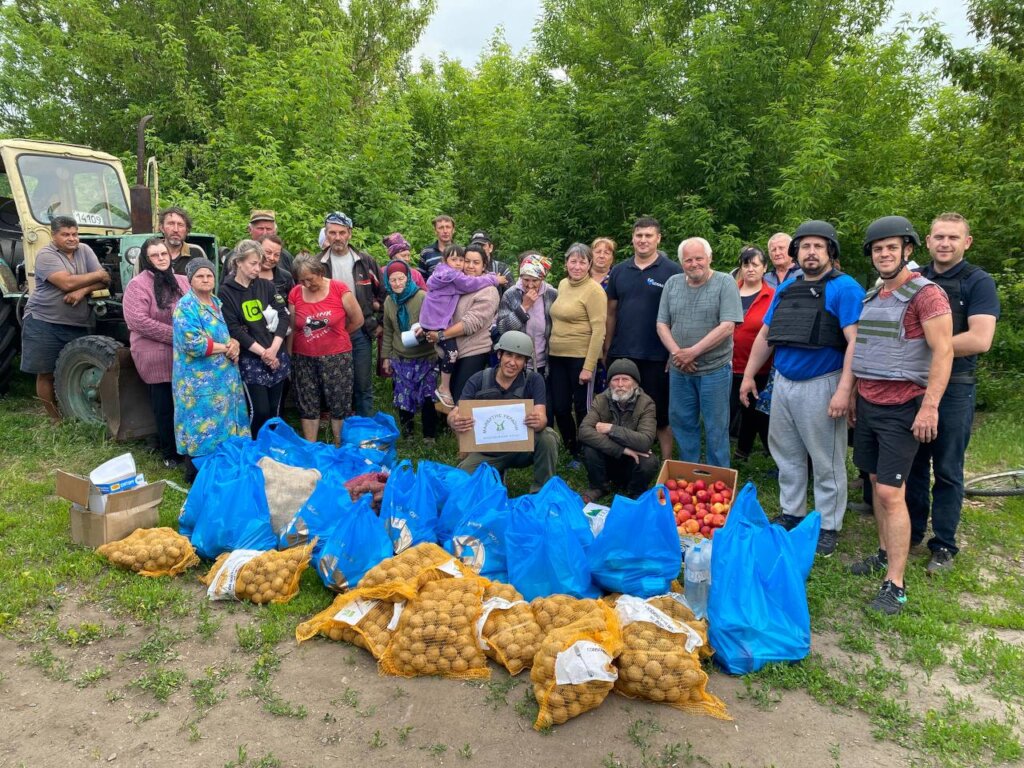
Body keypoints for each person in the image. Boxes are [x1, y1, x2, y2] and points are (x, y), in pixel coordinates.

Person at [739, 220, 865, 557]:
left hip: (822, 383)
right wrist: (750, 375)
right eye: (805, 246)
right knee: (788, 455)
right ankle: (792, 512)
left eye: (818, 246)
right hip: (783, 383)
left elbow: (855, 342)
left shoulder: (845, 288)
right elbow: (767, 335)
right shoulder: (787, 287)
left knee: (827, 461)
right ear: (796, 253)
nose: (810, 252)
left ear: (830, 252)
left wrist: (844, 391)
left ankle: (828, 525)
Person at [847, 216, 953, 615]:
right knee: (876, 483)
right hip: (870, 404)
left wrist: (929, 406)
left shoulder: (927, 295)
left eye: (892, 247)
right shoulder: (873, 295)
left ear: (908, 250)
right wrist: (856, 395)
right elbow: (867, 351)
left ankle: (896, 582)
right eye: (878, 249)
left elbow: (942, 352)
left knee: (893, 492)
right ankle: (882, 551)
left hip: (903, 406)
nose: (884, 254)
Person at [905, 213, 1000, 574]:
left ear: (967, 242)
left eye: (953, 238)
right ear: (927, 241)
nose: (945, 243)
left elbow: (980, 339)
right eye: (939, 237)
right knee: (913, 463)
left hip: (956, 389)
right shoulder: (914, 280)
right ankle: (911, 531)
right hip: (913, 384)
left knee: (946, 468)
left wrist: (932, 347)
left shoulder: (979, 282)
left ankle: (943, 543)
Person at [656, 237, 742, 468]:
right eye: (688, 260)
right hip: (680, 369)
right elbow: (661, 324)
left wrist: (692, 352)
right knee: (682, 422)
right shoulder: (672, 283)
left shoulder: (725, 283)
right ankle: (689, 470)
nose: (694, 264)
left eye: (698, 258)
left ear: (709, 258)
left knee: (716, 426)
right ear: (681, 262)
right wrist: (678, 354)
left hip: (714, 370)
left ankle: (718, 475)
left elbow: (727, 326)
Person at [605, 217, 683, 460]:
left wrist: (674, 350)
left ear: (658, 238)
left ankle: (667, 462)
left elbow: (679, 313)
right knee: (622, 409)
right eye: (639, 235)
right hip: (623, 353)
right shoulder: (618, 271)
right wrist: (607, 348)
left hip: (657, 354)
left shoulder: (673, 271)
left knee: (661, 414)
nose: (643, 240)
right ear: (632, 238)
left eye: (649, 235)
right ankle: (627, 457)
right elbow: (611, 312)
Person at [19, 216, 111, 420]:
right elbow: (67, 284)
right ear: (54, 236)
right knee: (46, 372)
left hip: (77, 322)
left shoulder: (85, 250)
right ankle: (55, 419)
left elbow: (105, 281)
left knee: (69, 370)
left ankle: (74, 411)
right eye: (66, 234)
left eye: (75, 234)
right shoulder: (45, 255)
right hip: (45, 320)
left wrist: (83, 291)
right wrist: (96, 276)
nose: (72, 238)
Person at [448, 330, 560, 492]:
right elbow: (455, 413)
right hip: (488, 451)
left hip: (521, 448)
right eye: (509, 355)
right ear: (499, 354)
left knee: (548, 437)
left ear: (525, 362)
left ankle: (542, 493)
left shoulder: (534, 380)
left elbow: (541, 416)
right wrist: (455, 420)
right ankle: (495, 475)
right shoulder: (478, 379)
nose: (513, 362)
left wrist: (538, 421)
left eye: (519, 358)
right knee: (459, 483)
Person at [172, 258, 248, 481]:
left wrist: (234, 343)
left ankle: (223, 470)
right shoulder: (186, 307)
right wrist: (227, 347)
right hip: (198, 381)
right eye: (200, 276)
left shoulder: (216, 302)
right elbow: (193, 343)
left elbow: (227, 331)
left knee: (224, 424)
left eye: (209, 276)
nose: (205, 280)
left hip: (224, 380)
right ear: (190, 280)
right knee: (201, 427)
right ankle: (196, 475)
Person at [122, 237, 190, 466]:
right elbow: (138, 321)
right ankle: (170, 453)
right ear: (146, 259)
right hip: (155, 353)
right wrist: (178, 336)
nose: (161, 258)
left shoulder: (182, 281)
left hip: (184, 352)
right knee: (164, 405)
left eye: (164, 254)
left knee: (185, 403)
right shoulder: (138, 285)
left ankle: (187, 446)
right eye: (155, 255)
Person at [287, 253, 364, 445]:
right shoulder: (296, 293)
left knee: (339, 402)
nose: (306, 284)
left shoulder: (339, 289)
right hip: (304, 357)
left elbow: (358, 319)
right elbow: (292, 327)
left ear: (320, 272)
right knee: (308, 403)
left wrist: (339, 334)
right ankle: (310, 447)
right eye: (302, 280)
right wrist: (290, 354)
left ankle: (339, 445)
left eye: (310, 279)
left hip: (336, 357)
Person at [220, 239, 291, 437]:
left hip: (276, 354)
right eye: (253, 263)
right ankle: (253, 448)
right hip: (252, 358)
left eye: (259, 264)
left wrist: (275, 349)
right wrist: (264, 353)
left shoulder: (266, 286)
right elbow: (234, 329)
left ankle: (272, 448)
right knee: (259, 410)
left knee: (275, 411)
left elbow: (284, 315)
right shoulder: (226, 292)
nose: (257, 268)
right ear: (238, 263)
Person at [317, 211, 384, 417]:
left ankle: (366, 432)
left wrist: (379, 321)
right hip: (329, 332)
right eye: (332, 232)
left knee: (363, 384)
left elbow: (383, 294)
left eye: (342, 232)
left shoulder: (365, 261)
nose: (337, 237)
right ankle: (341, 430)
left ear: (350, 234)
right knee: (335, 383)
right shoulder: (317, 263)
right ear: (326, 234)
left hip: (361, 330)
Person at [420, 244, 502, 408]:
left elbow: (470, 324)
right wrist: (425, 326)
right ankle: (447, 431)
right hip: (451, 351)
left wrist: (440, 335)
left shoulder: (488, 291)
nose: (470, 266)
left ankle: (464, 432)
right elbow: (438, 308)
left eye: (476, 262)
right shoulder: (457, 283)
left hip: (473, 351)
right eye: (467, 261)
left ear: (484, 265)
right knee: (445, 398)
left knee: (461, 400)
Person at [548, 243, 607, 462]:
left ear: (590, 264)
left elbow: (599, 329)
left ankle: (586, 450)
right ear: (566, 263)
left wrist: (588, 366)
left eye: (583, 261)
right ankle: (571, 446)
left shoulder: (594, 290)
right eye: (573, 261)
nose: (577, 266)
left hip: (581, 358)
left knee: (583, 408)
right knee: (561, 407)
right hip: (556, 356)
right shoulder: (562, 284)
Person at [578, 358, 658, 502]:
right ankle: (598, 487)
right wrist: (622, 449)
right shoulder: (601, 399)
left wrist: (611, 429)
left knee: (649, 461)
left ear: (635, 383)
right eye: (615, 380)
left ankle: (636, 492)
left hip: (631, 462)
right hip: (609, 457)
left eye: (625, 379)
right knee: (589, 448)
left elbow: (645, 441)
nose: (620, 385)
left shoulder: (646, 403)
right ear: (609, 383)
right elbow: (584, 431)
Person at [381, 260, 438, 441]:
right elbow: (388, 331)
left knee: (429, 397)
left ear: (408, 278)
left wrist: (425, 328)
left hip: (426, 355)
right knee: (403, 397)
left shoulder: (422, 297)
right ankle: (408, 435)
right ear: (387, 282)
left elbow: (436, 321)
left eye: (401, 279)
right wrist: (386, 357)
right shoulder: (389, 301)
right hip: (401, 356)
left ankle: (429, 436)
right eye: (393, 280)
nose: (397, 283)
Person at [730, 246, 774, 460]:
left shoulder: (773, 296)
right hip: (729, 363)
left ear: (764, 268)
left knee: (755, 410)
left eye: (755, 264)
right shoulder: (729, 291)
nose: (750, 269)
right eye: (746, 264)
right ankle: (733, 447)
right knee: (731, 409)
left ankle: (748, 450)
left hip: (759, 365)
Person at [494, 252, 557, 376]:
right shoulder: (511, 294)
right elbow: (502, 328)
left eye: (535, 280)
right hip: (517, 362)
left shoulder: (552, 294)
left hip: (545, 362)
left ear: (542, 278)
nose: (530, 285)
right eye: (526, 280)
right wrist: (524, 307)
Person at [159, 206, 207, 276]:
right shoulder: (151, 253)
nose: (176, 229)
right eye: (171, 224)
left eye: (180, 225)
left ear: (187, 230)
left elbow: (204, 283)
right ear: (162, 228)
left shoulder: (196, 253)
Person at [469, 230, 513, 295]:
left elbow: (511, 293)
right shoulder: (467, 267)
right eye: (476, 246)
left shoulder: (502, 269)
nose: (479, 249)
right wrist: (495, 280)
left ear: (490, 248)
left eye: (483, 245)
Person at [257, 234, 295, 299]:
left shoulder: (285, 277)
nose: (272, 258)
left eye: (276, 255)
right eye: (268, 252)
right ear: (257, 250)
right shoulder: (245, 275)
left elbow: (292, 301)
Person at [419, 214, 456, 278]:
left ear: (453, 230)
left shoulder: (462, 252)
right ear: (435, 231)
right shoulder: (426, 252)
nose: (445, 231)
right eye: (441, 228)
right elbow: (421, 280)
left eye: (448, 227)